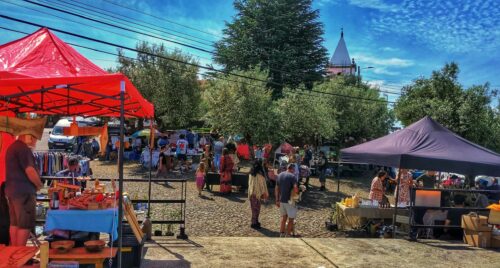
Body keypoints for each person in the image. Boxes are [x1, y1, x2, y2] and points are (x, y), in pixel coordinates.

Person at [5, 134, 42, 246]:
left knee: (15, 223)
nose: (36, 141)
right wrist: (39, 184)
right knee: (25, 224)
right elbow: (30, 170)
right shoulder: (23, 149)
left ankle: (15, 252)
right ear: (28, 136)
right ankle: (20, 254)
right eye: (35, 138)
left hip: (12, 191)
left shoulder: (12, 147)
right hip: (24, 193)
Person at [275, 164, 299, 237]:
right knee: (291, 219)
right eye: (294, 170)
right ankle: (288, 234)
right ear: (292, 169)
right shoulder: (293, 177)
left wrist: (277, 200)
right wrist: (298, 192)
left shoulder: (279, 175)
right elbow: (295, 188)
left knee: (284, 218)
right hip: (290, 201)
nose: (294, 171)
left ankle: (281, 234)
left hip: (281, 200)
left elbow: (276, 189)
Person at [248, 160, 269, 229]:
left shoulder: (251, 174)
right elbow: (263, 186)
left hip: (252, 194)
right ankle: (254, 223)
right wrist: (265, 193)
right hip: (258, 194)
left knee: (253, 209)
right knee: (257, 209)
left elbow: (249, 184)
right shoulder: (260, 175)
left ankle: (255, 222)